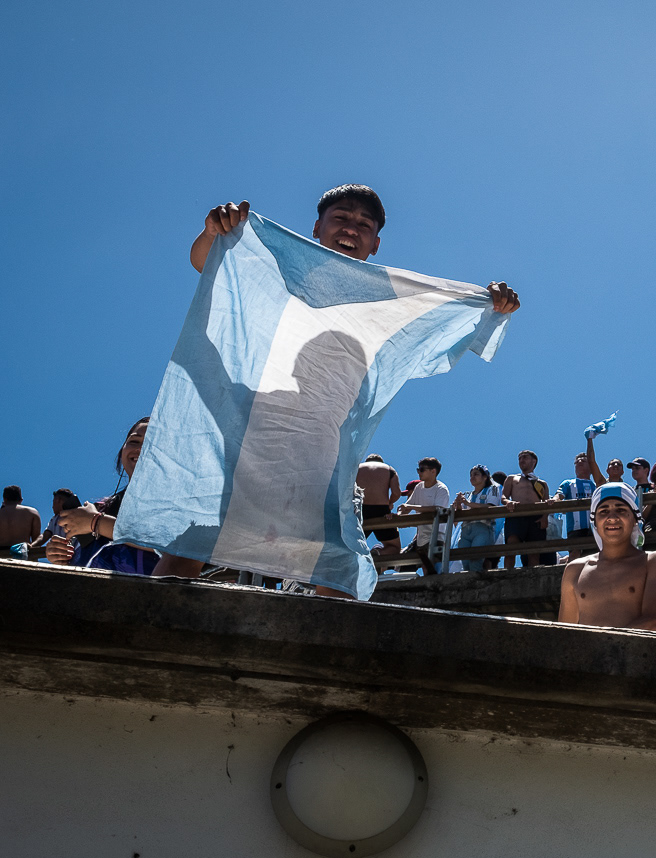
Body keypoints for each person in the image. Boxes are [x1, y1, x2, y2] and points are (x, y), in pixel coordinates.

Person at [166, 187, 520, 593]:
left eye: (363, 225)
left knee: (339, 574)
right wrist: (215, 232)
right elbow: (208, 262)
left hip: (326, 464)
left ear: (376, 244)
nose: (352, 228)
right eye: (341, 217)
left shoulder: (388, 305)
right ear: (317, 226)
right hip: (256, 444)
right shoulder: (280, 273)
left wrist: (489, 304)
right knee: (187, 547)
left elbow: (448, 325)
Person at [46, 418, 161, 575]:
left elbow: (176, 545)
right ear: (122, 452)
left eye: (151, 443)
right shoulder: (104, 506)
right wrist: (61, 556)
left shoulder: (182, 501)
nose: (140, 449)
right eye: (134, 441)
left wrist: (96, 522)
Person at [558, 483, 656, 630]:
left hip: (635, 652)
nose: (612, 518)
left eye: (620, 510)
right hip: (587, 652)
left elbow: (653, 621)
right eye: (604, 511)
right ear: (594, 522)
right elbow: (564, 631)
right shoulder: (575, 569)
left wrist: (605, 646)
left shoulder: (654, 562)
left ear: (634, 518)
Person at [397, 457, 451, 574]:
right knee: (411, 566)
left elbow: (437, 509)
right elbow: (407, 506)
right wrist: (399, 515)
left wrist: (412, 508)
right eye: (418, 470)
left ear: (433, 471)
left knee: (431, 565)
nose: (419, 473)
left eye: (422, 469)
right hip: (421, 538)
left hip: (436, 536)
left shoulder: (441, 489)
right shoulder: (419, 487)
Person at [502, 451, 553, 568]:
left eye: (525, 457)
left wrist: (545, 517)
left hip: (535, 517)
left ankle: (533, 576)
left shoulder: (542, 483)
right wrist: (508, 502)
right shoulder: (512, 478)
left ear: (533, 461)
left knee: (534, 551)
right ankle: (505, 575)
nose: (521, 460)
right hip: (516, 515)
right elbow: (503, 496)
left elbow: (546, 502)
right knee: (511, 547)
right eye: (519, 458)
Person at [452, 465, 504, 572]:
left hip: (483, 527)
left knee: (476, 559)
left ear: (485, 477)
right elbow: (462, 514)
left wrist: (468, 503)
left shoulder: (492, 489)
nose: (472, 477)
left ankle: (476, 583)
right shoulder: (468, 495)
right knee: (465, 562)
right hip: (466, 530)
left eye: (476, 474)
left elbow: (490, 506)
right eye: (471, 475)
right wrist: (458, 505)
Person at [357, 454, 403, 561]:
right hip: (381, 510)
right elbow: (397, 492)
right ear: (381, 462)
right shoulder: (389, 469)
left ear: (367, 461)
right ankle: (377, 553)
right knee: (394, 547)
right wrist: (390, 503)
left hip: (359, 510)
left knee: (351, 543)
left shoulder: (357, 468)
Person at [555, 452, 598, 553]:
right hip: (575, 527)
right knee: (575, 553)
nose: (579, 462)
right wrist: (555, 500)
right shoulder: (568, 483)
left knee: (594, 555)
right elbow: (559, 495)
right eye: (577, 462)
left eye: (583, 461)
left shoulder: (596, 486)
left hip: (594, 527)